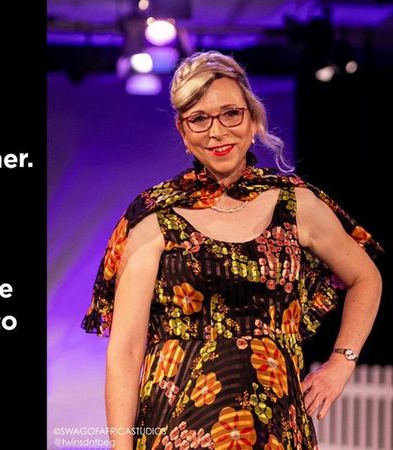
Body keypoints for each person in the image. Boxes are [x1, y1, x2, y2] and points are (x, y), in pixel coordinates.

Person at [81, 51, 383, 450]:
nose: (217, 132)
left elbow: (365, 277)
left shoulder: (295, 204)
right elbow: (126, 350)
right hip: (177, 427)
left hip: (276, 425)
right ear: (183, 131)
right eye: (199, 119)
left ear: (253, 119)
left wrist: (341, 362)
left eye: (230, 114)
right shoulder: (156, 216)